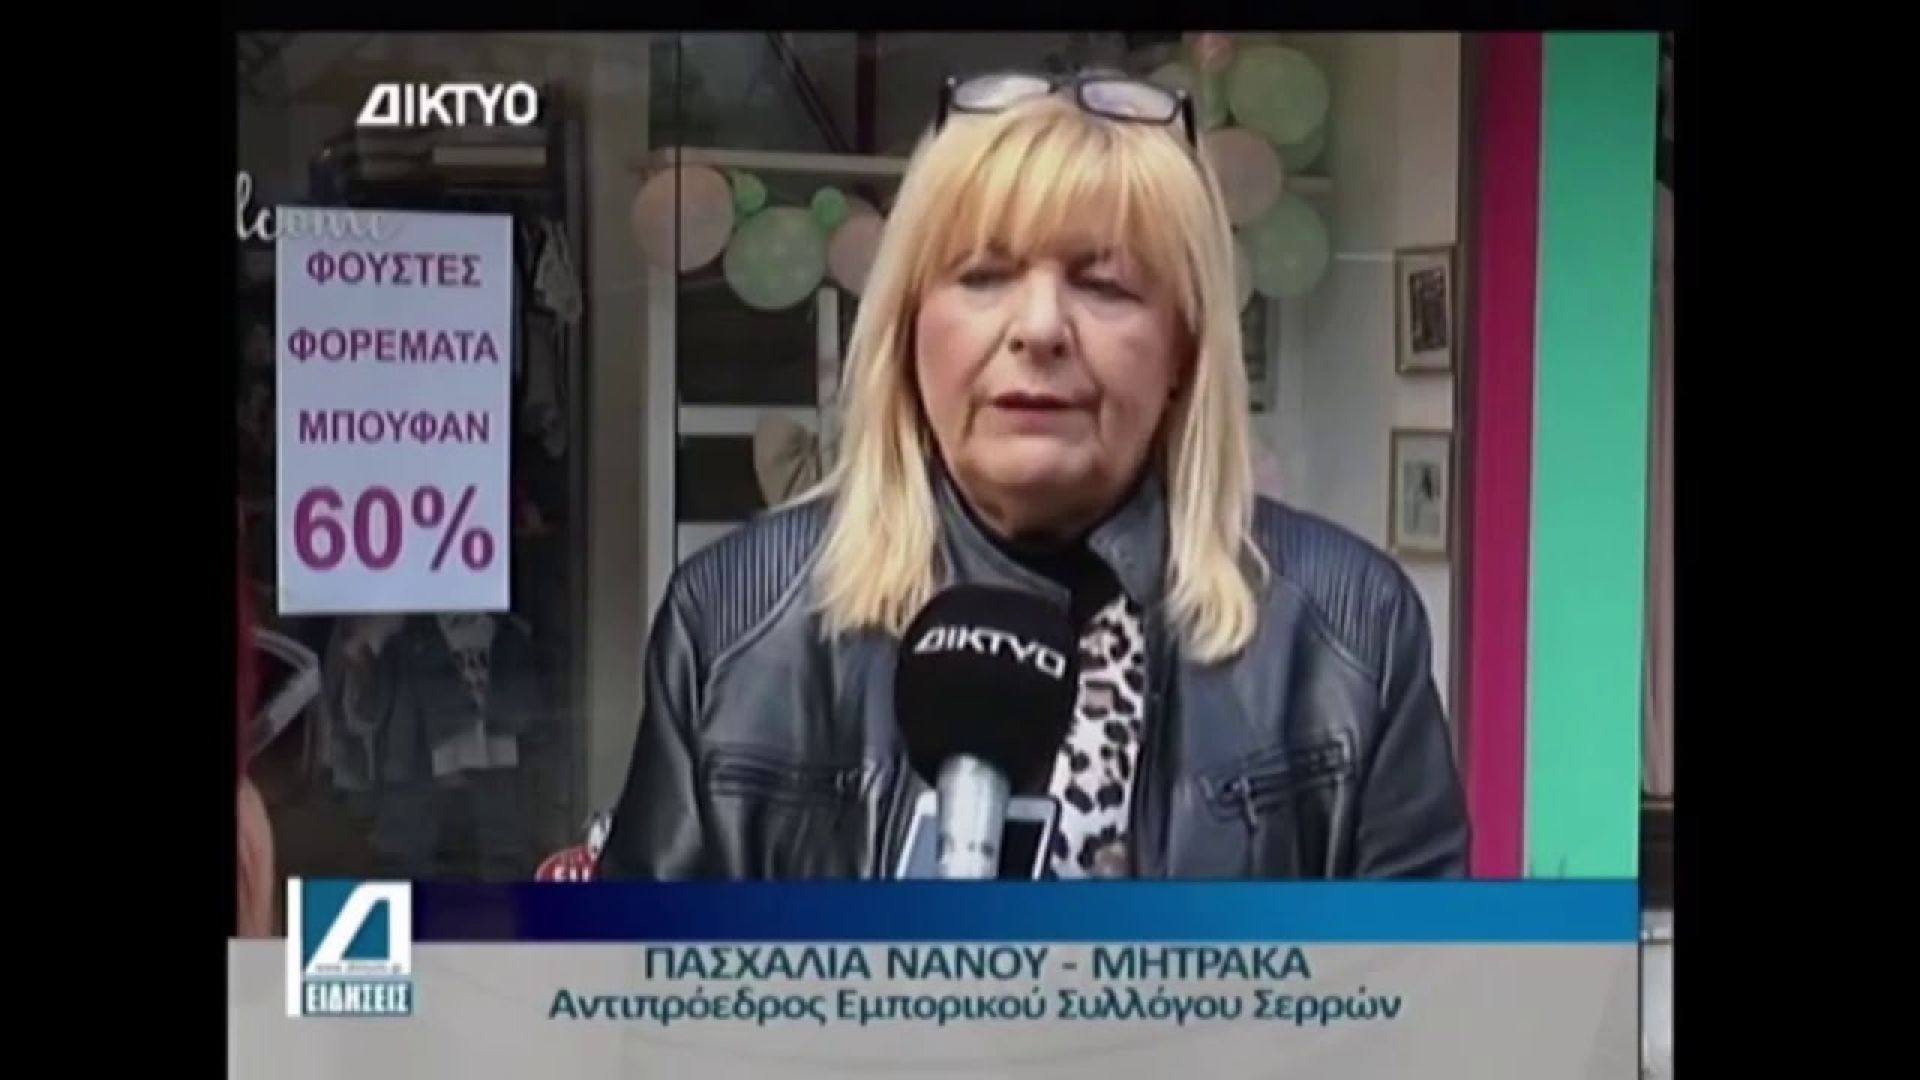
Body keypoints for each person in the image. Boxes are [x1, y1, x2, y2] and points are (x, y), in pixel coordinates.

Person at [598, 70, 1468, 880]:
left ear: (1184, 348)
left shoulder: (1350, 634)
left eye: (1106, 285)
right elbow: (637, 986)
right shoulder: (735, 621)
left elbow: (1421, 988)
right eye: (984, 275)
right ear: (908, 327)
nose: (1041, 327)